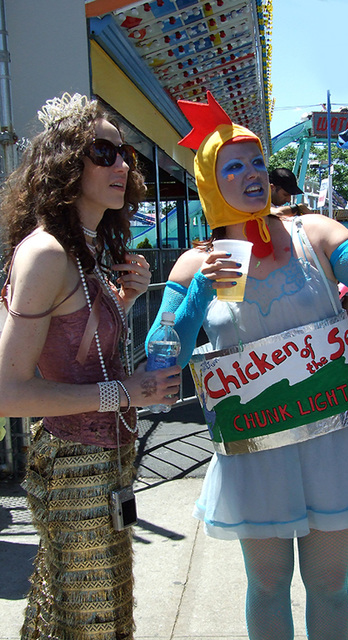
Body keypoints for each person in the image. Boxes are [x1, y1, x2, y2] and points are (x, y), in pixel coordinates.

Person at [146, 91, 348, 640]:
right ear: (208, 183)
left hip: (330, 444)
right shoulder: (197, 262)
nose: (252, 175)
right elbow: (161, 357)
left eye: (258, 162)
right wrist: (199, 292)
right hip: (255, 453)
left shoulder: (314, 232)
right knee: (267, 588)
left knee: (331, 586)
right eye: (234, 166)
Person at [0, 92, 181, 639]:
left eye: (123, 152)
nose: (122, 164)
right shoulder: (48, 253)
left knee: (69, 617)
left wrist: (124, 302)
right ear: (63, 162)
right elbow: (9, 391)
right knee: (91, 627)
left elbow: (76, 354)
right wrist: (123, 393)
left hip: (105, 466)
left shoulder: (81, 250)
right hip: (76, 469)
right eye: (102, 152)